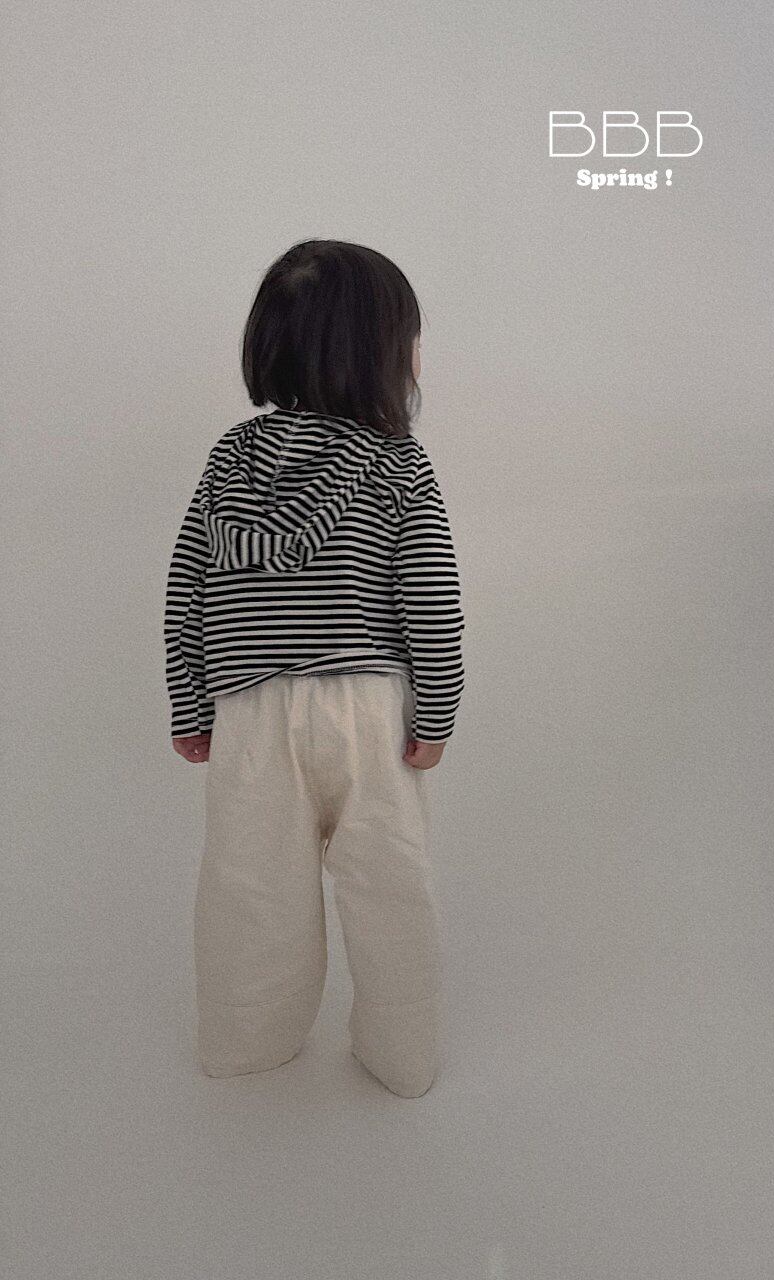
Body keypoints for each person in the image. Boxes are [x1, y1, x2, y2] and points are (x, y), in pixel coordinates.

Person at [163, 239, 465, 1097]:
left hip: (250, 711)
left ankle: (244, 1043)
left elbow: (186, 587)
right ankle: (402, 1057)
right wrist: (437, 714)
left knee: (251, 887)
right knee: (390, 886)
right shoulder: (398, 461)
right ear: (381, 352)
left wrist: (190, 704)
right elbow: (431, 599)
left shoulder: (230, 457)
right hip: (370, 712)